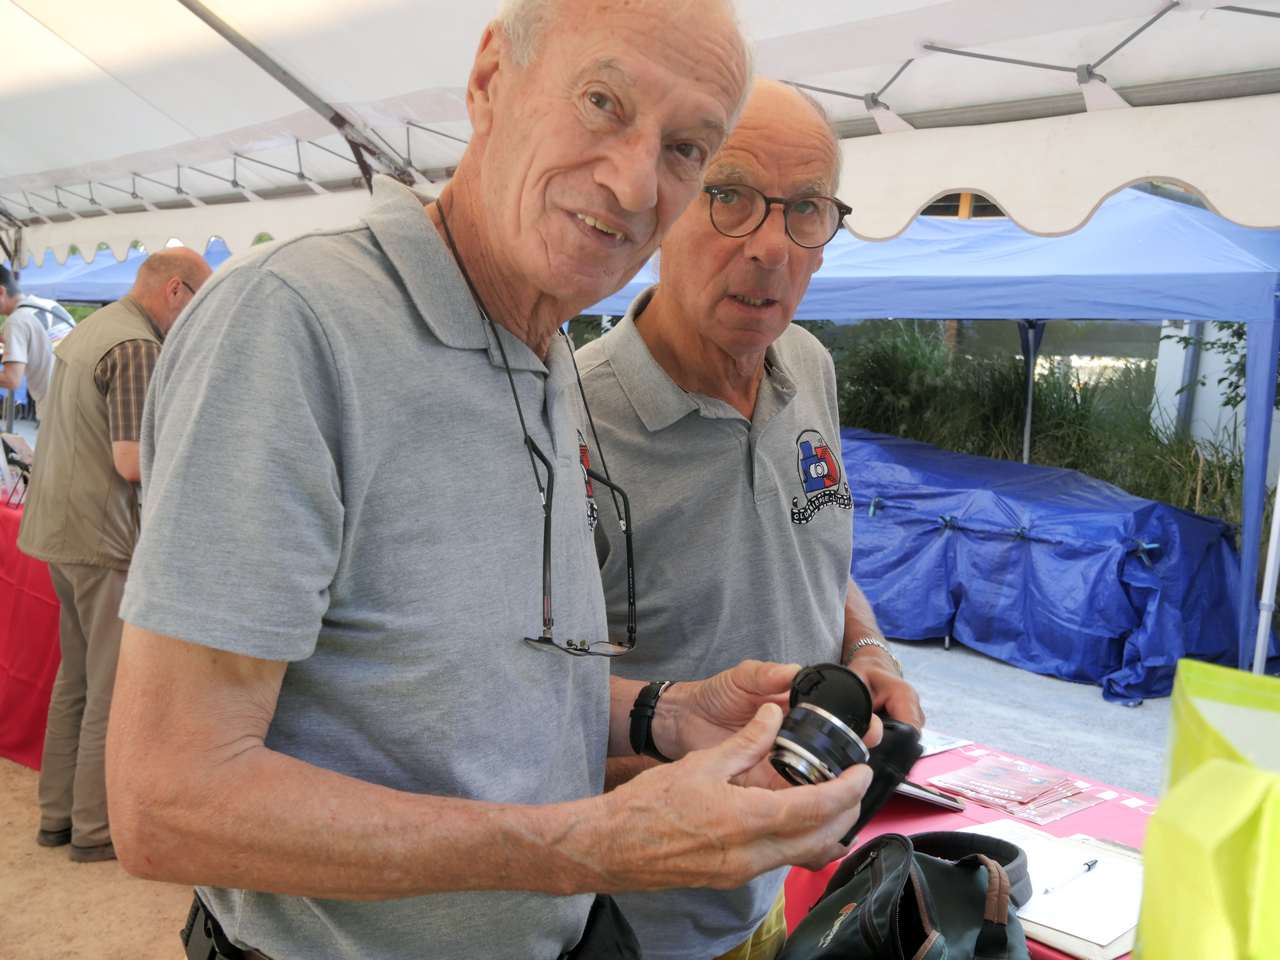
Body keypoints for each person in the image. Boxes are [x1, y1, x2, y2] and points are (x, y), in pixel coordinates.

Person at [104, 3, 876, 958]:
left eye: (684, 148)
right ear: (488, 84)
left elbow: (464, 693)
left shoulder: (539, 345)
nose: (635, 180)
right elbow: (168, 802)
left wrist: (663, 712)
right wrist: (583, 849)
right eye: (603, 101)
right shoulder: (295, 322)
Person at [575, 79, 926, 960]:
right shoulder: (567, 425)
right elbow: (507, 726)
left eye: (805, 210)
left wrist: (867, 651)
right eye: (729, 197)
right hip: (623, 926)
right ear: (663, 204)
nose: (771, 246)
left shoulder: (807, 364)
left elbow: (810, 547)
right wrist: (698, 775)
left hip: (766, 903)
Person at [17, 248, 212, 863]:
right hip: (102, 539)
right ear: (176, 292)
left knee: (74, 682)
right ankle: (95, 829)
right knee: (106, 688)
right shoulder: (138, 348)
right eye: (196, 306)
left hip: (60, 533)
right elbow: (131, 461)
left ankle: (59, 818)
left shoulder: (90, 331)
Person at [0, 264, 75, 410]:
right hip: (82, 400)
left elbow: (11, 380)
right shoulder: (50, 305)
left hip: (57, 411)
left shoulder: (16, 321)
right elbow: (44, 342)